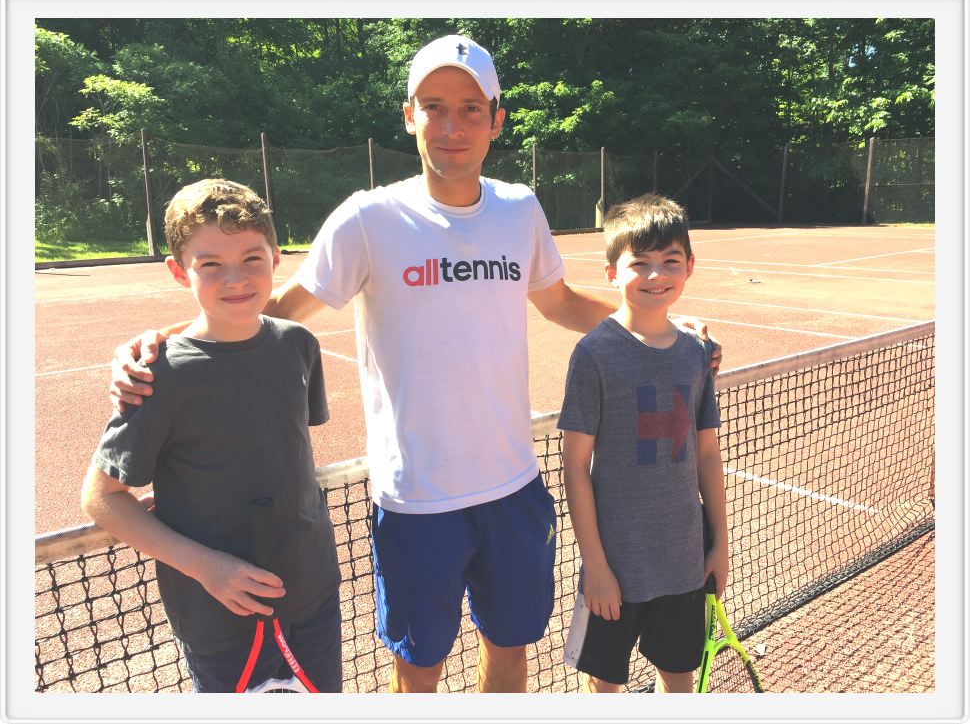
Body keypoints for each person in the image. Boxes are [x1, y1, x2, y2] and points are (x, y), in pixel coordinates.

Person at [108, 36, 721, 693]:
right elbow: (272, 308)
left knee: (510, 655)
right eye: (434, 107)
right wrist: (165, 341)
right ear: (409, 115)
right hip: (415, 503)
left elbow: (561, 302)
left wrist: (655, 323)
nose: (452, 126)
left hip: (513, 491)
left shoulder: (519, 210)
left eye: (469, 109)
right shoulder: (369, 219)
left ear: (496, 119)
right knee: (417, 672)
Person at [82, 179, 342, 693]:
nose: (237, 279)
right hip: (220, 617)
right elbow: (101, 498)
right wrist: (206, 566)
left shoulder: (298, 345)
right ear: (180, 271)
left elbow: (285, 453)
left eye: (252, 258)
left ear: (277, 258)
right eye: (211, 265)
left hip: (313, 597)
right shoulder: (159, 375)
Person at [558, 194, 729, 694]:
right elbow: (574, 468)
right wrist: (596, 567)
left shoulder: (696, 354)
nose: (656, 275)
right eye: (640, 263)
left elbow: (707, 454)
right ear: (613, 272)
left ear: (689, 266)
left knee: (678, 677)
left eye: (670, 261)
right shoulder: (594, 355)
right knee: (603, 685)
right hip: (615, 563)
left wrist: (720, 542)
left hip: (684, 560)